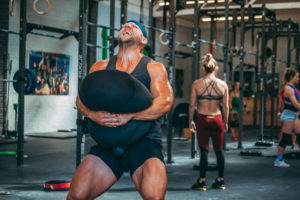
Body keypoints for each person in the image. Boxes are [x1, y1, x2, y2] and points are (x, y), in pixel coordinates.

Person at [67, 20, 173, 200]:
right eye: (124, 25)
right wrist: (93, 115)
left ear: (144, 41)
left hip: (143, 142)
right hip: (107, 144)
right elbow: (81, 99)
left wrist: (130, 116)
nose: (127, 26)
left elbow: (164, 103)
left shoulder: (153, 67)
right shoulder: (100, 66)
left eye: (134, 26)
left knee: (154, 197)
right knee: (76, 196)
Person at [189, 53, 229, 191]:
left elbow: (192, 105)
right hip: (217, 118)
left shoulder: (197, 84)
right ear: (215, 68)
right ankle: (220, 180)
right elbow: (226, 107)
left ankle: (202, 181)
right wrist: (226, 122)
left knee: (204, 150)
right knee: (219, 150)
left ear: (203, 68)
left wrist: (190, 121)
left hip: (203, 118)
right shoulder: (223, 84)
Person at [274, 68, 300, 167]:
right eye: (297, 76)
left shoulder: (293, 88)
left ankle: (279, 160)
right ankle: (278, 160)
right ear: (291, 77)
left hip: (293, 114)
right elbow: (295, 104)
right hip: (288, 114)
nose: (298, 78)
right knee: (285, 138)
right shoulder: (288, 88)